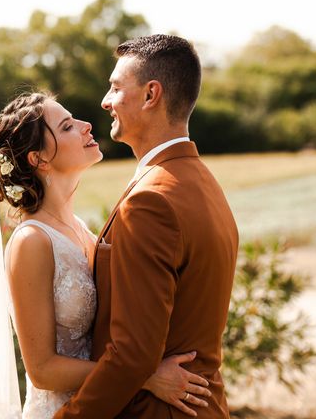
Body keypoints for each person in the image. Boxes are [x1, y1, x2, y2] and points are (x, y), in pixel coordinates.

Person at [0, 91, 211, 418]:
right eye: (67, 126)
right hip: (61, 410)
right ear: (38, 159)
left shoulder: (81, 228)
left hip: (102, 403)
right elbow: (43, 370)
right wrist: (145, 377)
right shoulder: (32, 242)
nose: (85, 126)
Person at [54, 35, 239, 419]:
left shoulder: (150, 201)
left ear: (151, 94)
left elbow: (133, 352)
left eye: (116, 87)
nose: (105, 101)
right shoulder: (203, 183)